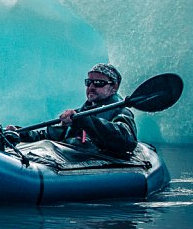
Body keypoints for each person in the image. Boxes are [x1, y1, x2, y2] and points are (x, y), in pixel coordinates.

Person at [8, 64, 137, 158]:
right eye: (89, 82)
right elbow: (51, 135)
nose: (91, 87)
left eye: (98, 83)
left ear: (114, 87)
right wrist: (21, 133)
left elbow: (126, 141)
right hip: (69, 159)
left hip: (100, 163)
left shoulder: (122, 112)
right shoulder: (80, 113)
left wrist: (85, 121)